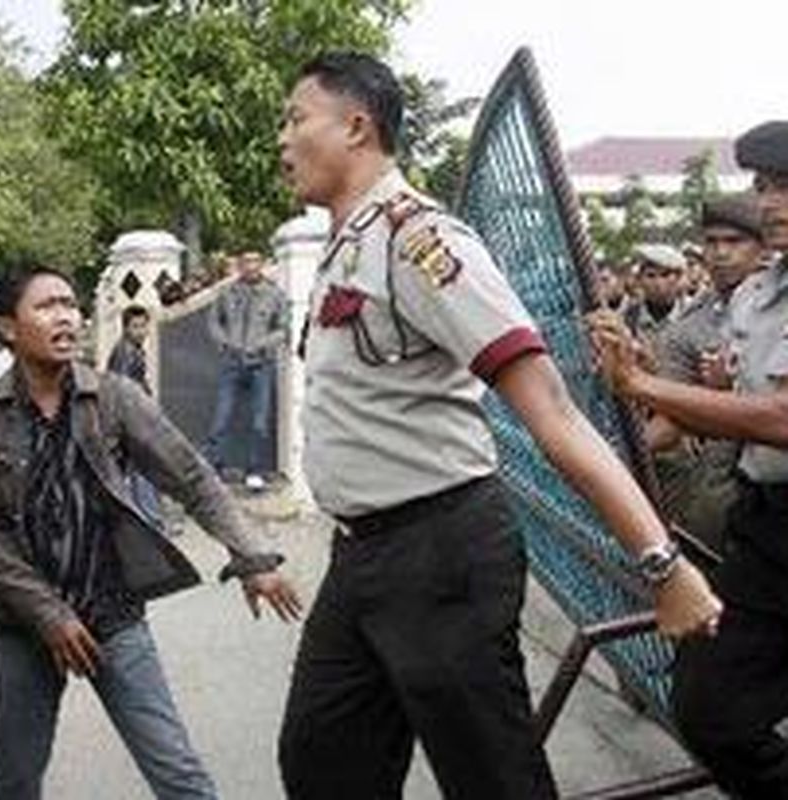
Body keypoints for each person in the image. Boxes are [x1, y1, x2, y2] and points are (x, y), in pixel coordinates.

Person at [274, 52, 721, 799]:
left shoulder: (425, 243)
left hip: (441, 554)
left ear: (356, 127)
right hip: (362, 554)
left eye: (295, 119)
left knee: (490, 778)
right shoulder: (348, 245)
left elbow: (552, 409)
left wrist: (662, 566)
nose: (283, 140)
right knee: (322, 761)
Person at [0, 265, 302, 800]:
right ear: (8, 327)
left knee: (178, 774)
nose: (66, 316)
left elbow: (193, 478)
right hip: (24, 625)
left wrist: (253, 557)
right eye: (47, 306)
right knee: (16, 779)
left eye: (70, 304)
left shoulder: (114, 397)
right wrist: (50, 616)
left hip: (113, 612)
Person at [590, 120, 788, 798]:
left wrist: (645, 386)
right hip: (767, 526)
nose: (772, 203)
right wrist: (660, 376)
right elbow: (739, 400)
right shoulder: (762, 297)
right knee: (710, 712)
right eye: (764, 186)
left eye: (787, 187)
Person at [646, 195, 765, 551]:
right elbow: (670, 422)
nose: (721, 253)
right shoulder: (689, 329)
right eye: (712, 242)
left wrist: (736, 385)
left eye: (734, 241)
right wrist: (610, 456)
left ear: (763, 248)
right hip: (729, 484)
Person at [204, 250, 289, 492]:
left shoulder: (274, 294)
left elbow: (283, 328)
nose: (251, 266)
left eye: (255, 261)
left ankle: (254, 470)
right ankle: (214, 467)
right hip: (232, 363)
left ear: (261, 264)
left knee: (259, 422)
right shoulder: (227, 293)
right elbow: (213, 322)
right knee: (221, 419)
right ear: (240, 265)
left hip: (262, 365)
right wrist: (226, 342)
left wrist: (261, 344)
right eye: (246, 261)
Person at [107, 305, 164, 530]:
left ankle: (143, 518)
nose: (142, 331)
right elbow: (123, 389)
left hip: (131, 417)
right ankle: (152, 519)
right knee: (143, 468)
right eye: (136, 327)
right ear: (126, 328)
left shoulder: (132, 349)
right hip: (129, 419)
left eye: (144, 325)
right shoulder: (126, 352)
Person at [624, 243, 687, 339]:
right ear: (640, 280)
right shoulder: (628, 317)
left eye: (665, 275)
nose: (658, 283)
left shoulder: (691, 312)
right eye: (651, 276)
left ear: (678, 278)